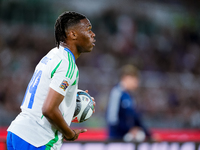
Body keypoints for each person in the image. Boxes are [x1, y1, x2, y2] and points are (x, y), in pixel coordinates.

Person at [6, 11, 96, 150]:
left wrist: (71, 101)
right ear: (73, 34)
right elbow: (48, 109)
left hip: (18, 132)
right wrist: (69, 134)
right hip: (38, 140)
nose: (93, 34)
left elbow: (44, 97)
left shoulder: (53, 55)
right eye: (89, 29)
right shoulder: (68, 65)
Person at [106, 64, 151, 142]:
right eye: (135, 80)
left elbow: (135, 118)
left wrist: (149, 135)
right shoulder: (117, 93)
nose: (136, 83)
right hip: (117, 139)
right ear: (126, 78)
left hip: (126, 138)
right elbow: (112, 119)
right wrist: (128, 130)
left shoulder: (129, 96)